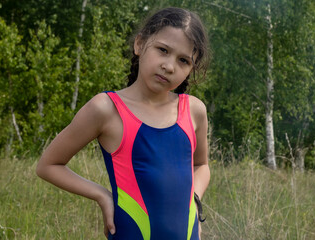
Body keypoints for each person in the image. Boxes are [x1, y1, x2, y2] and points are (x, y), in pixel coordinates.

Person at [36, 7, 210, 240]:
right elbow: (48, 165)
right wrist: (101, 195)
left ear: (191, 69)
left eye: (183, 60)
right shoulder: (106, 109)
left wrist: (195, 203)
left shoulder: (194, 111)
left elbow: (201, 165)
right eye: (162, 50)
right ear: (139, 44)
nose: (169, 66)